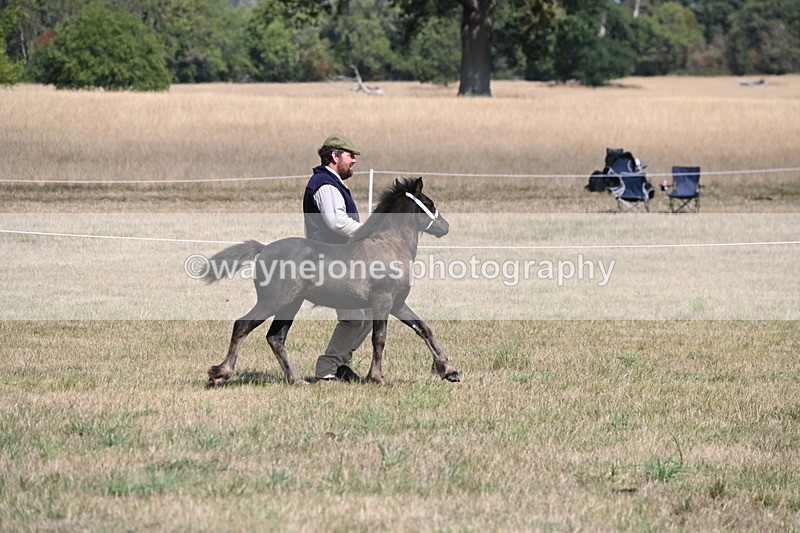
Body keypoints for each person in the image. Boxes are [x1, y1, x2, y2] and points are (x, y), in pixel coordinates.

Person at [303, 133, 372, 382]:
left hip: (340, 260)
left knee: (370, 314)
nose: (354, 160)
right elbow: (336, 222)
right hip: (331, 263)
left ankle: (341, 363)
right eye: (350, 155)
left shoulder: (331, 183)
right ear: (335, 156)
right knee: (355, 319)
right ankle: (327, 369)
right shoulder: (325, 184)